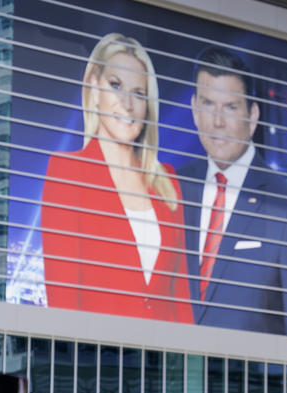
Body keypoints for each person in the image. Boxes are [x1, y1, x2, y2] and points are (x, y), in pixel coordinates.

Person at [41, 33, 192, 323]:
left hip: (162, 361)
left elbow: (180, 301)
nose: (127, 103)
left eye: (138, 92)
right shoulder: (67, 173)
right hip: (99, 362)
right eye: (116, 85)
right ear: (94, 88)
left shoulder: (167, 182)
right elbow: (63, 302)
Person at [178, 46, 287, 335]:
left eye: (231, 107)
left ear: (253, 115)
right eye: (208, 104)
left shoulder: (286, 208)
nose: (217, 121)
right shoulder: (174, 188)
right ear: (195, 109)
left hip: (247, 377)